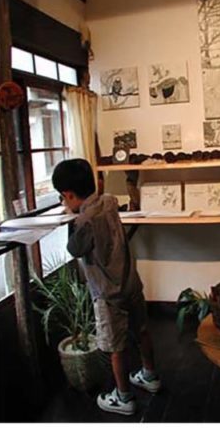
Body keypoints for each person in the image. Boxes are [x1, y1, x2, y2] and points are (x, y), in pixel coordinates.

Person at [52, 158, 161, 416]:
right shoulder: (110, 201)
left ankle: (124, 397)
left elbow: (74, 249)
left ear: (69, 195)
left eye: (63, 198)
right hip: (130, 282)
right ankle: (150, 376)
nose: (64, 202)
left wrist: (71, 220)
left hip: (107, 293)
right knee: (142, 330)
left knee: (115, 347)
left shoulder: (84, 222)